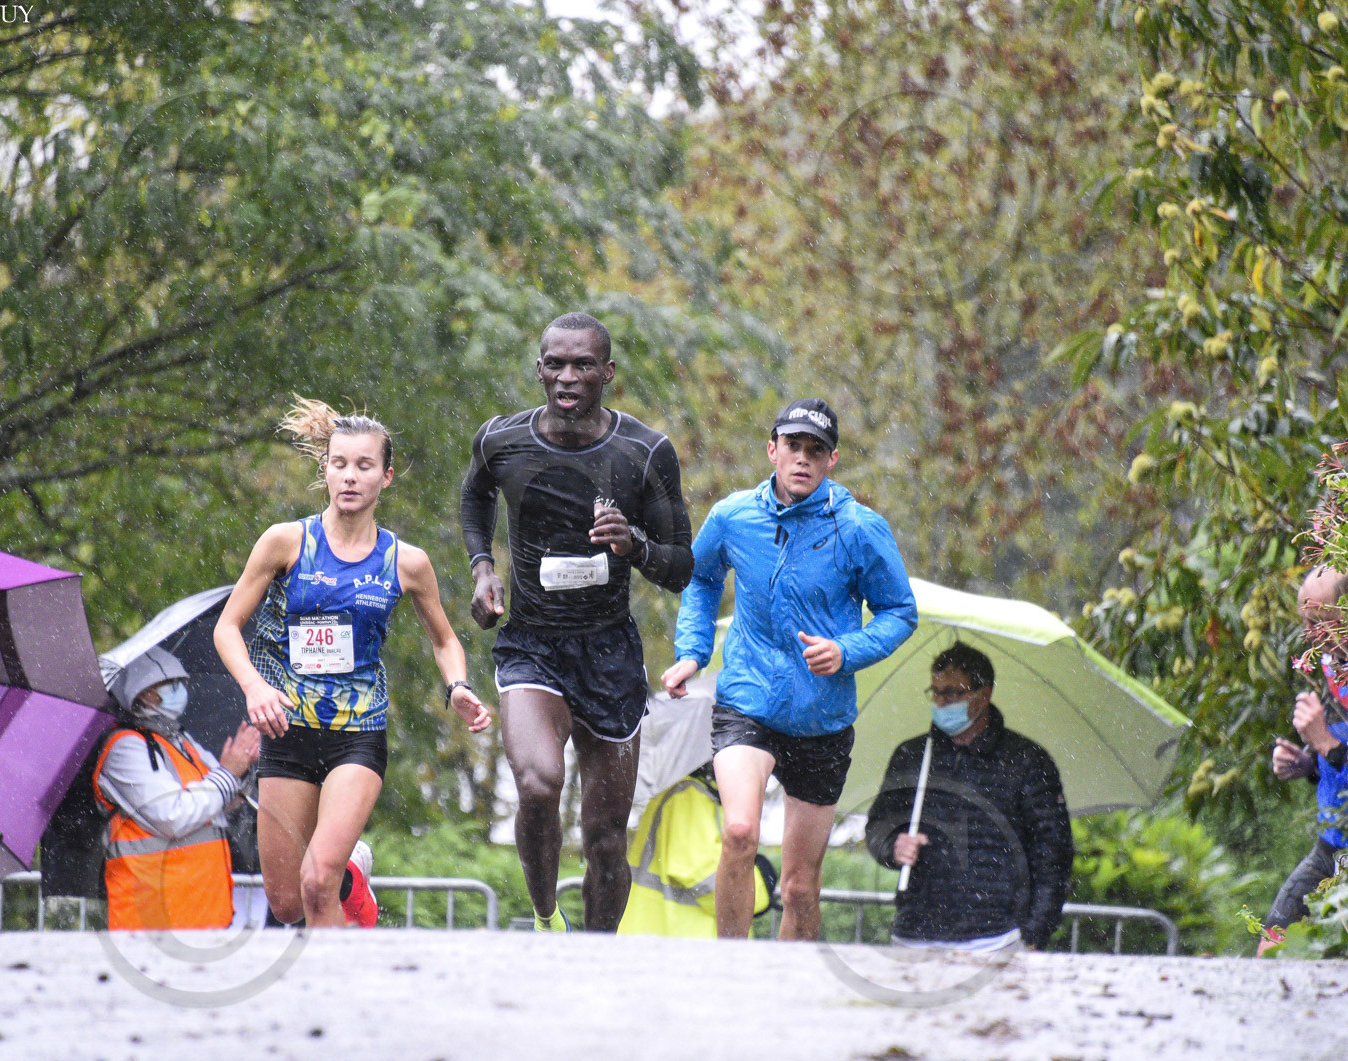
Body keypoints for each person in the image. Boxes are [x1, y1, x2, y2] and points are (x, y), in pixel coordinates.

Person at [216, 398, 491, 928]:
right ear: (325, 470)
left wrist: (457, 685)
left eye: (364, 466)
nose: (349, 476)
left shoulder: (406, 562)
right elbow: (227, 628)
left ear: (386, 477)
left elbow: (444, 639)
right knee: (287, 902)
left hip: (357, 732)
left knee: (316, 881)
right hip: (287, 730)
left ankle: (342, 967)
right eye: (339, 464)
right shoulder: (285, 542)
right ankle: (351, 876)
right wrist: (254, 687)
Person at [460, 312, 694, 932]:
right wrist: (483, 568)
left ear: (607, 373)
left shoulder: (645, 452)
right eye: (556, 364)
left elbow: (681, 567)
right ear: (539, 370)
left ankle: (597, 955)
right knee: (538, 785)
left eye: (582, 365)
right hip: (532, 645)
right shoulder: (501, 441)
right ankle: (546, 918)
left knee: (605, 837)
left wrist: (634, 545)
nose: (568, 377)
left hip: (610, 653)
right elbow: (475, 497)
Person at [664, 398, 917, 939]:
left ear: (832, 460)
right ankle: (734, 971)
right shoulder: (733, 516)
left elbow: (899, 612)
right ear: (772, 450)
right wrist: (692, 651)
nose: (803, 459)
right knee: (739, 832)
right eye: (794, 446)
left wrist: (847, 650)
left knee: (800, 887)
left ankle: (790, 982)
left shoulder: (859, 528)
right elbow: (701, 578)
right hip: (748, 701)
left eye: (816, 450)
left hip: (820, 718)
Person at [864, 642, 1073, 951]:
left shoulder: (1027, 760)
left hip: (999, 937)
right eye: (935, 692)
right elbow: (878, 825)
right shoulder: (911, 755)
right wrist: (893, 846)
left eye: (953, 693)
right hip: (914, 932)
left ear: (984, 695)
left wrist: (1035, 933)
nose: (941, 702)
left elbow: (1052, 851)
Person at [92, 647, 262, 930]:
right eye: (168, 684)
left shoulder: (180, 740)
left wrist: (241, 768)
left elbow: (220, 798)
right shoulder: (125, 748)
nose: (179, 690)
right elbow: (173, 816)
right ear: (141, 694)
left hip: (202, 915)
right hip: (151, 920)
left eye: (181, 682)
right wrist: (229, 772)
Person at [1262, 566, 1348, 953]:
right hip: (1330, 844)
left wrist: (1325, 744)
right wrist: (1308, 761)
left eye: (1320, 621)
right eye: (1305, 622)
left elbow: (1340, 751)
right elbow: (1341, 759)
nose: (1310, 635)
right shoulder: (1333, 668)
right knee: (1272, 945)